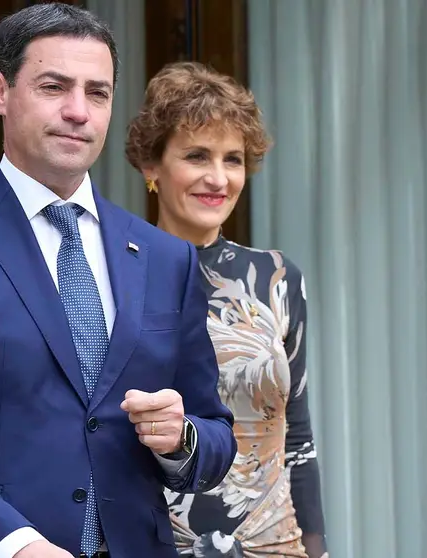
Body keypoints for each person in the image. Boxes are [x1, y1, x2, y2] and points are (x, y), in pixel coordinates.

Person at [0, 4, 237, 558]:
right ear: (1, 91)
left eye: (98, 93)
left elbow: (216, 432)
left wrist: (181, 439)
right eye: (53, 86)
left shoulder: (167, 258)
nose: (77, 112)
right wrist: (16, 545)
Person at [124, 61, 328, 557]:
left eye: (232, 159)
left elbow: (297, 440)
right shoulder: (114, 276)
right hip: (159, 543)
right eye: (197, 156)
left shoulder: (278, 279)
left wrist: (320, 550)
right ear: (152, 166)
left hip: (275, 545)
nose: (218, 179)